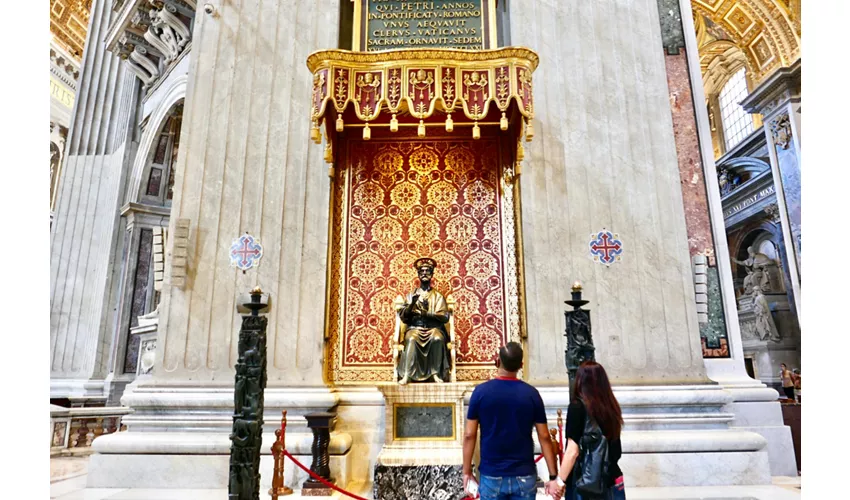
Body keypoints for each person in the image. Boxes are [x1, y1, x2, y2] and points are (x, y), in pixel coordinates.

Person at [463, 342, 561, 500]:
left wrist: (467, 472)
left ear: (497, 361)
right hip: (524, 473)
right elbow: (544, 437)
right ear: (521, 365)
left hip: (491, 473)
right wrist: (552, 476)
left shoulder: (480, 393)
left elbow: (469, 434)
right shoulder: (531, 394)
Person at [552, 361, 625, 500]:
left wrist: (560, 481)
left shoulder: (577, 407)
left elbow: (572, 451)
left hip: (585, 483)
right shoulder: (612, 408)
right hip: (613, 478)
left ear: (580, 381)